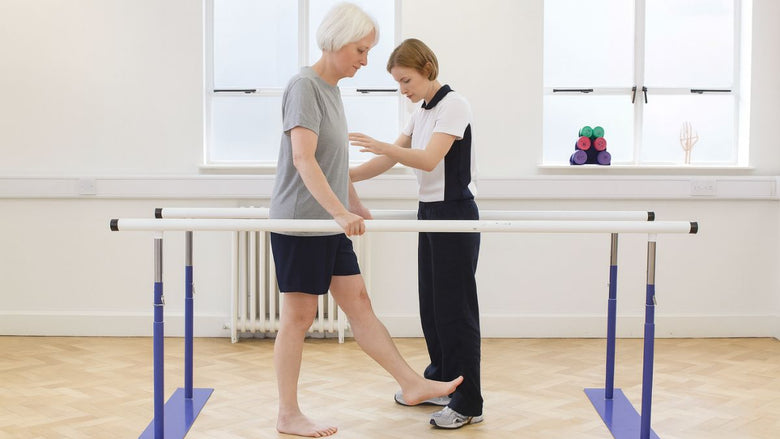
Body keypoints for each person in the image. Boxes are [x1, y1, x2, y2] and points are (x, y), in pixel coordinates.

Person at [268, 6, 463, 438]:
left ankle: (411, 384)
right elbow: (303, 159)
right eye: (361, 50)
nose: (365, 60)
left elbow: (332, 163)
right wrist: (339, 211)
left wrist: (353, 203)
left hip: (329, 221)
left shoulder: (331, 90)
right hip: (303, 222)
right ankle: (287, 414)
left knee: (359, 304)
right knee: (298, 318)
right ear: (336, 42)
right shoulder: (304, 86)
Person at [348, 38, 483, 429]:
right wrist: (344, 175)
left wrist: (378, 144)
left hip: (455, 215)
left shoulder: (454, 105)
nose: (403, 90)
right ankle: (441, 382)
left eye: (406, 80)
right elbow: (391, 158)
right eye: (398, 83)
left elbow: (427, 160)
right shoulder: (422, 110)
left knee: (456, 312)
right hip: (431, 213)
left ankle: (468, 401)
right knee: (434, 308)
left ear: (427, 68)